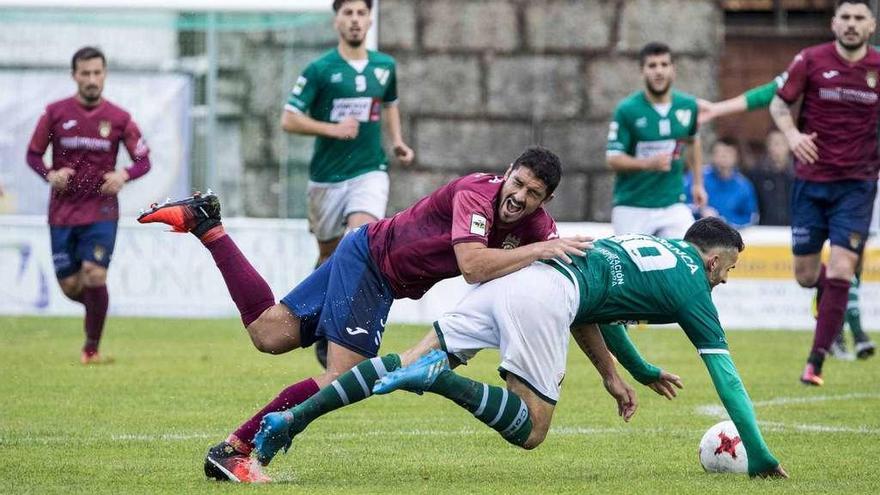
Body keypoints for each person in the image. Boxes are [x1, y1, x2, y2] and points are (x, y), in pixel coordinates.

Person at [138, 146, 591, 483]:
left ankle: (207, 225)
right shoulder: (478, 193)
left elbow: (571, 293)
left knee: (269, 332)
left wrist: (611, 374)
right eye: (517, 183)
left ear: (545, 199)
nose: (519, 196)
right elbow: (473, 266)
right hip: (372, 266)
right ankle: (236, 449)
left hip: (366, 255)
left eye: (533, 193)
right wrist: (539, 249)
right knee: (340, 380)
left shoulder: (538, 230)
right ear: (507, 173)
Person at [253, 217, 788, 479]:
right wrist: (759, 456)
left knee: (400, 361)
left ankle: (292, 419)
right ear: (714, 262)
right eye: (730, 271)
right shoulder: (695, 287)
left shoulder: (654, 246)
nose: (726, 282)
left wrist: (635, 370)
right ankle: (441, 379)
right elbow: (729, 380)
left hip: (517, 274)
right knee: (532, 428)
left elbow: (600, 311)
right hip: (547, 294)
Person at [282, 0, 414, 368]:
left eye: (361, 13)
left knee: (357, 242)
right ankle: (317, 320)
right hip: (326, 178)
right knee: (329, 254)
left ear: (370, 19)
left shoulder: (385, 66)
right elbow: (289, 120)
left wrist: (397, 141)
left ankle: (337, 333)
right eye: (348, 13)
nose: (355, 20)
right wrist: (332, 129)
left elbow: (389, 104)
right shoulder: (320, 69)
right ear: (336, 20)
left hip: (371, 170)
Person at [768, 0, 880, 384]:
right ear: (834, 23)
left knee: (844, 268)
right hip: (812, 184)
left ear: (871, 25)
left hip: (858, 186)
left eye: (858, 18)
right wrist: (793, 135)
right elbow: (779, 104)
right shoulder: (810, 60)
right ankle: (829, 296)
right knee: (805, 274)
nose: (850, 24)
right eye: (845, 18)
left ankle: (815, 361)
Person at [25, 46, 151, 364]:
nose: (92, 79)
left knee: (94, 274)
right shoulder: (55, 113)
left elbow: (144, 159)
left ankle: (91, 349)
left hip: (102, 210)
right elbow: (33, 155)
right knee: (70, 285)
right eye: (85, 73)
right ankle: (99, 306)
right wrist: (49, 174)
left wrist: (124, 174)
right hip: (63, 211)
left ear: (105, 74)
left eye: (97, 73)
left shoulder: (120, 118)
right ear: (74, 76)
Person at [606, 41, 706, 238]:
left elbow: (693, 141)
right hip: (632, 205)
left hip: (673, 204)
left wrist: (697, 183)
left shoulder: (688, 106)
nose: (659, 71)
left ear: (673, 70)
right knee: (630, 267)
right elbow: (613, 158)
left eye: (664, 64)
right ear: (642, 71)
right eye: (652, 66)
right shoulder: (627, 110)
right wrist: (647, 163)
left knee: (689, 258)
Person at [684, 138, 759, 229]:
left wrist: (724, 222)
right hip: (697, 234)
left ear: (736, 157)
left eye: (728, 153)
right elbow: (680, 204)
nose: (723, 156)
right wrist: (700, 210)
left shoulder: (744, 185)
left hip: (729, 238)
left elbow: (751, 218)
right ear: (712, 155)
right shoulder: (697, 176)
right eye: (719, 153)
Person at [747, 131, 794, 227]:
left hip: (793, 229)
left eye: (780, 143)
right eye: (772, 143)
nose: (776, 148)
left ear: (789, 146)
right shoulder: (757, 174)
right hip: (765, 231)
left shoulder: (798, 175)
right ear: (767, 146)